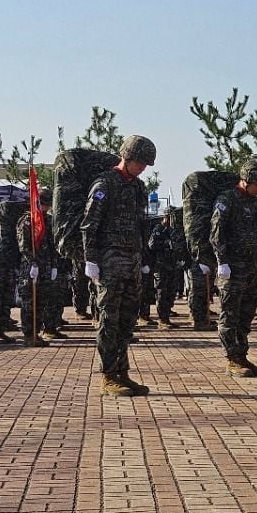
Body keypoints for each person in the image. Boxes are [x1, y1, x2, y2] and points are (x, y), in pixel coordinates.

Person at [82, 134, 157, 397]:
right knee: (109, 319)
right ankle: (108, 375)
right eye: (140, 162)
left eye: (146, 164)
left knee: (127, 321)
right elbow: (90, 224)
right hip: (110, 261)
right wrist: (91, 259)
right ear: (128, 157)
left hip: (132, 260)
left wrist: (143, 258)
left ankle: (122, 372)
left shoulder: (138, 187)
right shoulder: (105, 184)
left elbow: (141, 225)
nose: (143, 168)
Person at [211, 157, 257, 377]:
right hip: (231, 267)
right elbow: (216, 232)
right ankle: (232, 359)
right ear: (247, 180)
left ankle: (242, 355)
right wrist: (222, 261)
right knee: (230, 314)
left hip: (250, 267)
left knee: (246, 314)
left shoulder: (255, 203)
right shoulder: (227, 199)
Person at [17, 188, 61, 346]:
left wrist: (54, 265)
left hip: (46, 266)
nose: (46, 208)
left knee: (41, 301)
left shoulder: (48, 220)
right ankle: (29, 335)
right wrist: (33, 263)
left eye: (48, 205)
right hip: (31, 268)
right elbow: (24, 246)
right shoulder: (28, 220)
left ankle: (37, 331)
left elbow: (53, 244)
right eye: (44, 204)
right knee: (30, 301)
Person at [148, 208, 179, 329]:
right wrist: (165, 244)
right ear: (164, 218)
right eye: (169, 218)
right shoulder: (158, 230)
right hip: (160, 266)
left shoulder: (172, 230)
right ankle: (163, 319)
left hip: (172, 265)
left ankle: (167, 315)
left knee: (171, 292)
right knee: (161, 292)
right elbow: (151, 245)